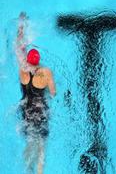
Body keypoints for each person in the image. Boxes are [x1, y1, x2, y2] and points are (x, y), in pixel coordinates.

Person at [15, 12, 56, 174]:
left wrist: (21, 26)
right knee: (41, 148)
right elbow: (53, 93)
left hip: (26, 111)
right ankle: (39, 172)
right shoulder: (45, 72)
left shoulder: (22, 70)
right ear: (38, 60)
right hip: (40, 112)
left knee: (30, 142)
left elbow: (19, 47)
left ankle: (26, 169)